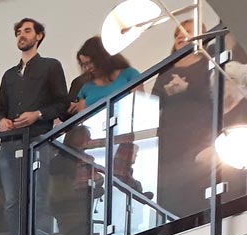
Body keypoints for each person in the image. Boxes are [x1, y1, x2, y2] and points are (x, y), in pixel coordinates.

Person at [0, 17, 69, 235]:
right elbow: (0, 111)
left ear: (39, 36)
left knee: (38, 197)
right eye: (18, 31)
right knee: (11, 201)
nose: (21, 35)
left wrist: (37, 114)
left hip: (38, 140)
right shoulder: (9, 75)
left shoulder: (51, 66)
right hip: (10, 143)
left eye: (27, 31)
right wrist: (2, 121)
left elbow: (62, 103)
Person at [151, 20, 214, 218]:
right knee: (171, 187)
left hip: (199, 134)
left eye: (187, 31)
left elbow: (217, 94)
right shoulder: (166, 69)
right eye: (178, 32)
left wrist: (188, 89)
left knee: (198, 181)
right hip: (169, 138)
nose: (180, 35)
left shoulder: (209, 62)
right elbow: (153, 102)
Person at [70, 35, 140, 113]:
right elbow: (82, 116)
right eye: (84, 65)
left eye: (90, 62)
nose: (87, 68)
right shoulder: (86, 87)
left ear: (101, 58)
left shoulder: (129, 74)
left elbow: (139, 104)